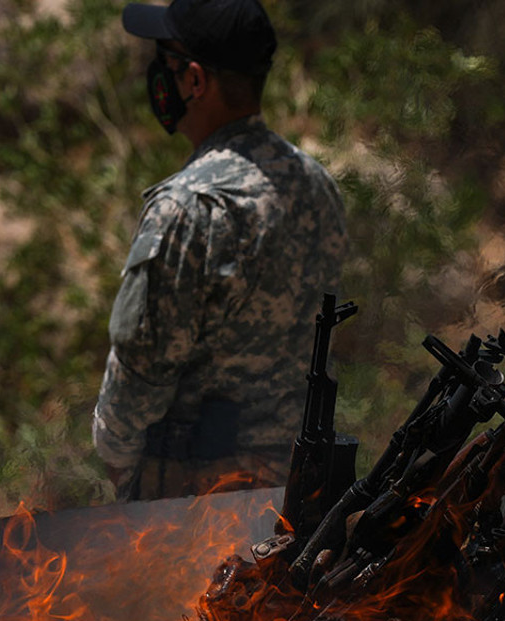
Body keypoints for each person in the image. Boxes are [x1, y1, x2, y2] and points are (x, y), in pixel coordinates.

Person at [93, 0, 348, 500]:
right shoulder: (318, 186)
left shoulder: (187, 206)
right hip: (294, 491)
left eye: (165, 61)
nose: (157, 77)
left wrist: (118, 458)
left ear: (193, 80)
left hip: (191, 506)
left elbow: (141, 366)